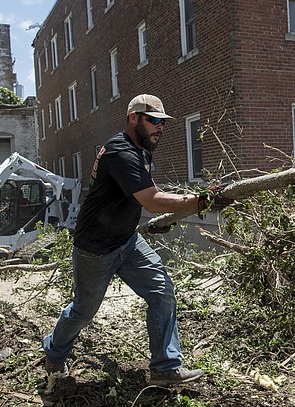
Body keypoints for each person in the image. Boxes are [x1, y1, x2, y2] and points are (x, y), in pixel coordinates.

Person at [43, 94, 232, 386]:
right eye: (154, 120)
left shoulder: (142, 151)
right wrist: (199, 201)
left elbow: (147, 191)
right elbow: (153, 200)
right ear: (134, 118)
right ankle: (54, 354)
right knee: (84, 311)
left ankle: (165, 368)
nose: (160, 127)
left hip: (127, 241)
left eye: (162, 122)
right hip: (96, 248)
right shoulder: (120, 151)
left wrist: (163, 220)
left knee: (162, 292)